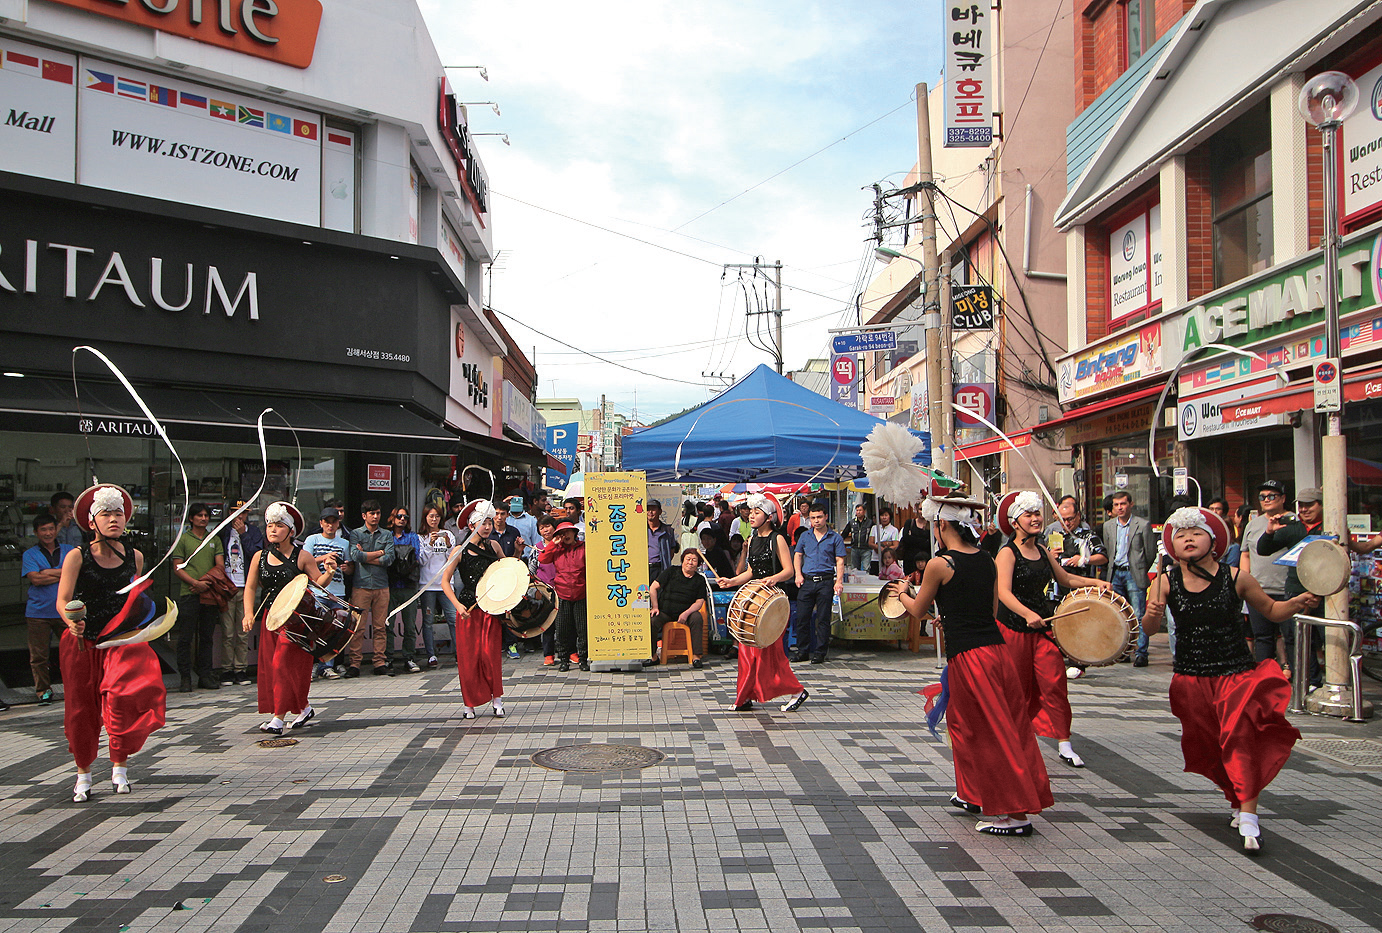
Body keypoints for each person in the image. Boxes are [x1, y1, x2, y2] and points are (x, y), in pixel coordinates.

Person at [1143, 507, 1317, 854]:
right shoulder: (1164, 581)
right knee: (1210, 748)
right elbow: (1148, 630)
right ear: (1172, 546)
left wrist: (1296, 602)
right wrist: (1151, 615)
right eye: (1180, 534)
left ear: (1213, 540)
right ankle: (1236, 795)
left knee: (1241, 740)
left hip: (1235, 675)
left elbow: (1271, 611)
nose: (1188, 538)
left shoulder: (1237, 577)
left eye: (1195, 532)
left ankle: (1249, 812)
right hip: (1190, 679)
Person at [889, 495, 1053, 836]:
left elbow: (917, 610)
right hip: (996, 651)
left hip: (970, 659)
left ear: (942, 525)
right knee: (973, 726)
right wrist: (950, 618)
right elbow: (989, 611)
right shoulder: (988, 559)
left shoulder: (939, 564)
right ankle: (975, 793)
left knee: (990, 731)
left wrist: (902, 591)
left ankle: (1013, 814)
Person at [56, 484, 167, 802]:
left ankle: (120, 769)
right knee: (81, 711)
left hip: (120, 643)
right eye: (106, 513)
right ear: (92, 522)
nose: (114, 519)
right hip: (82, 644)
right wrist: (71, 622)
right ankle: (83, 774)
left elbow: (134, 600)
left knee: (123, 702)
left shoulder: (135, 557)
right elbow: (62, 600)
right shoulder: (77, 557)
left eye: (118, 513)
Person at [995, 491, 1110, 770]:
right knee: (1018, 689)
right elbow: (1003, 592)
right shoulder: (1007, 553)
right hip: (1014, 629)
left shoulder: (1044, 551)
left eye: (1037, 513)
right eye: (1029, 514)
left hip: (1043, 629)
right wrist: (1026, 613)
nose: (1035, 519)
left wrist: (1094, 585)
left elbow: (1066, 578)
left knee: (1055, 683)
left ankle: (1064, 743)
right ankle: (1015, 739)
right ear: (1015, 521)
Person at [243, 502, 338, 735]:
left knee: (282, 663)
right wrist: (247, 613)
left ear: (290, 530)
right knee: (278, 669)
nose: (272, 530)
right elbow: (250, 587)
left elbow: (317, 584)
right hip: (270, 619)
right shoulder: (259, 556)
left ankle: (278, 717)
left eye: (278, 525)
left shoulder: (303, 556)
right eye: (269, 526)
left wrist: (329, 573)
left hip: (297, 620)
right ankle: (304, 708)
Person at [715, 493, 808, 713]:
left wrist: (774, 578)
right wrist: (731, 581)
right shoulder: (753, 540)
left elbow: (789, 570)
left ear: (769, 517)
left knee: (770, 653)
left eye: (757, 513)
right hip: (755, 600)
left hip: (772, 603)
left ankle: (796, 690)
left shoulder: (778, 539)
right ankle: (745, 696)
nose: (751, 515)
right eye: (751, 512)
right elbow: (750, 572)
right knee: (747, 651)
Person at [1254, 488, 1325, 688]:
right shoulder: (1293, 527)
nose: (1304, 509)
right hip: (1297, 589)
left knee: (1330, 636)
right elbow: (1263, 549)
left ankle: (1337, 680)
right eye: (1301, 505)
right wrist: (1269, 531)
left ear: (1321, 504)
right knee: (1297, 637)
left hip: (1328, 590)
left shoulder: (1330, 526)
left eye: (1310, 504)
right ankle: (1308, 681)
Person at [444, 500, 508, 717]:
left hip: (491, 608)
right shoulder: (459, 550)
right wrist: (457, 605)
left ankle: (497, 701)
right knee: (469, 659)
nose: (488, 527)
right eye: (482, 523)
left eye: (489, 522)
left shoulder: (495, 547)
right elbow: (445, 581)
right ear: (471, 526)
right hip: (468, 609)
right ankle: (468, 705)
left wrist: (516, 553)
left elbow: (507, 573)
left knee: (491, 656)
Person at [1045, 498, 1108, 680]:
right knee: (1053, 623)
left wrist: (1084, 559)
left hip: (1079, 586)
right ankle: (1056, 658)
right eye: (1063, 519)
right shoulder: (1053, 535)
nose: (1067, 523)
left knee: (1077, 625)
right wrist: (1050, 555)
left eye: (1071, 519)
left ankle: (1077, 661)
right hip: (1056, 587)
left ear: (1078, 516)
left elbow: (1102, 556)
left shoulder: (1088, 535)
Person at [171, 503, 225, 693]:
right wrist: (194, 583)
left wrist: (206, 582)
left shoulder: (214, 539)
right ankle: (185, 677)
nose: (203, 518)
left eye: (206, 515)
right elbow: (177, 566)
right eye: (199, 515)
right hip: (189, 594)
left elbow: (220, 566)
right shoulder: (183, 539)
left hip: (209, 593)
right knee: (185, 637)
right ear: (192, 518)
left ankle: (205, 675)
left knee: (207, 637)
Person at [23, 513, 75, 704]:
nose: (48, 533)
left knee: (72, 653)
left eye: (51, 528)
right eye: (43, 529)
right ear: (36, 532)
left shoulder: (70, 551)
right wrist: (64, 574)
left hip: (66, 611)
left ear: (56, 530)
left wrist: (48, 572)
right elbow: (35, 579)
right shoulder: (29, 554)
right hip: (38, 612)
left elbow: (77, 573)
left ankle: (73, 688)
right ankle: (43, 691)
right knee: (38, 656)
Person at [1100, 491, 1157, 665]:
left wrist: (1140, 568)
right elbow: (1108, 550)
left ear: (1131, 504)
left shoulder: (1142, 524)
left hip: (1134, 572)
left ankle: (1141, 652)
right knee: (1119, 613)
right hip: (1115, 572)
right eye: (1116, 505)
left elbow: (1150, 552)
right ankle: (1123, 650)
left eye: (1123, 504)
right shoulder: (1108, 526)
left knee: (1138, 614)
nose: (1120, 508)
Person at [1241, 480, 1291, 669]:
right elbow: (1245, 554)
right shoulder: (1253, 525)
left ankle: (1298, 676)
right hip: (1258, 591)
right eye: (1263, 497)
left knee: (1292, 637)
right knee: (1262, 637)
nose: (1267, 500)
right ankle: (1265, 677)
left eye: (1272, 496)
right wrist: (1246, 581)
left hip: (1287, 590)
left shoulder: (1293, 521)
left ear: (1283, 498)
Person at [792, 501, 846, 664]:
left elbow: (840, 560)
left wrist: (839, 581)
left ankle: (820, 652)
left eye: (819, 517)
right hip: (807, 581)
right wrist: (798, 574)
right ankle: (802, 651)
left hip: (825, 580)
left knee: (822, 618)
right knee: (802, 617)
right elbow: (798, 555)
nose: (816, 521)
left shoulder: (834, 537)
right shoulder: (805, 536)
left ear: (826, 517)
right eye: (813, 517)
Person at [346, 500, 395, 677]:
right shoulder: (356, 533)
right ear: (364, 515)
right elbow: (355, 555)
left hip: (382, 586)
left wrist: (366, 556)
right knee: (357, 627)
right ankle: (355, 663)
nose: (375, 517)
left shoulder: (387, 534)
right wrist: (378, 553)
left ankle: (379, 662)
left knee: (380, 626)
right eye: (371, 513)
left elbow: (389, 559)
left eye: (378, 513)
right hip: (361, 585)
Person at [303, 508, 351, 679]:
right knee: (314, 629)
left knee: (334, 630)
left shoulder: (344, 543)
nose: (330, 525)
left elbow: (350, 567)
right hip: (317, 591)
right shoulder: (312, 539)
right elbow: (304, 561)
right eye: (327, 522)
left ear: (338, 524)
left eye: (334, 522)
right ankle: (312, 665)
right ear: (321, 523)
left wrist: (346, 567)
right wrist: (325, 557)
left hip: (338, 592)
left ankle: (327, 665)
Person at [217, 513, 263, 685]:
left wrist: (243, 534)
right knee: (228, 631)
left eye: (243, 512)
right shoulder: (223, 531)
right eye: (235, 512)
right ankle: (226, 669)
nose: (239, 516)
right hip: (227, 587)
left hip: (245, 586)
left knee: (243, 631)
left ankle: (241, 669)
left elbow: (257, 555)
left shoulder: (253, 532)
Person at [540, 519, 588, 672]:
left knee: (582, 629)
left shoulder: (584, 548)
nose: (565, 535)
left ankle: (583, 659)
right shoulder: (556, 549)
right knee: (562, 630)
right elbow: (542, 559)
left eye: (568, 531)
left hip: (581, 593)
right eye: (562, 533)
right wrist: (554, 543)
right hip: (562, 594)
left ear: (575, 532)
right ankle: (564, 660)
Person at [649, 549, 707, 667]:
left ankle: (696, 657)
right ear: (683, 560)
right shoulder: (671, 571)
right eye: (688, 559)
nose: (690, 563)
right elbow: (653, 587)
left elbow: (700, 601)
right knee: (652, 620)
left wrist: (686, 613)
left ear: (698, 564)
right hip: (666, 611)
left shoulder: (699, 579)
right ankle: (653, 656)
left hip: (687, 611)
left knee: (697, 618)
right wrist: (655, 606)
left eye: (694, 560)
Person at [415, 503, 456, 669]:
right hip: (427, 584)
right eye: (431, 516)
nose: (434, 519)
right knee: (428, 621)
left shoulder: (448, 534)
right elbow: (421, 561)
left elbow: (452, 560)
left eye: (437, 516)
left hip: (446, 584)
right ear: (425, 517)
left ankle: (458, 652)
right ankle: (431, 654)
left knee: (453, 619)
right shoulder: (420, 537)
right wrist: (430, 544)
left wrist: (447, 545)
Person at [386, 506, 423, 673]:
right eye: (399, 516)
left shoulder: (413, 536)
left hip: (409, 585)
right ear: (393, 518)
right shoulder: (387, 536)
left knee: (410, 626)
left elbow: (415, 557)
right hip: (391, 585)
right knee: (388, 625)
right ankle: (388, 659)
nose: (402, 519)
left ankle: (409, 657)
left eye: (405, 517)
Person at [530, 514, 560, 665]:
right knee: (547, 623)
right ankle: (548, 655)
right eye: (542, 528)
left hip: (562, 588)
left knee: (563, 623)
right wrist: (536, 588)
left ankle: (568, 652)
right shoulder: (537, 548)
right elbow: (532, 570)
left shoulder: (561, 544)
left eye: (548, 526)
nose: (545, 530)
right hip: (545, 591)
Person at [646, 498, 679, 586]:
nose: (650, 512)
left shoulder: (667, 531)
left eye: (653, 509)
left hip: (660, 568)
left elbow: (671, 551)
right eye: (648, 509)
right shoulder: (641, 530)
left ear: (660, 512)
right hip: (644, 569)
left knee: (659, 595)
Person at [868, 507, 901, 576]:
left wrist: (886, 550)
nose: (884, 517)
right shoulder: (874, 528)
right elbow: (870, 543)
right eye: (882, 515)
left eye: (886, 515)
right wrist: (878, 547)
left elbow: (895, 545)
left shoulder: (894, 530)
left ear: (890, 517)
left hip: (888, 560)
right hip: (875, 558)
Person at [897, 513, 931, 577]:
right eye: (921, 509)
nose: (922, 511)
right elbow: (906, 538)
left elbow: (931, 542)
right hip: (909, 562)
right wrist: (924, 540)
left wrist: (913, 538)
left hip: (925, 562)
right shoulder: (909, 523)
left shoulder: (931, 524)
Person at [842, 503, 872, 573]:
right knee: (854, 569)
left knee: (866, 568)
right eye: (857, 510)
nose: (858, 512)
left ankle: (866, 582)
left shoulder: (870, 522)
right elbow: (845, 533)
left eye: (860, 510)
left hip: (866, 549)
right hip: (854, 548)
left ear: (864, 511)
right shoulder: (852, 522)